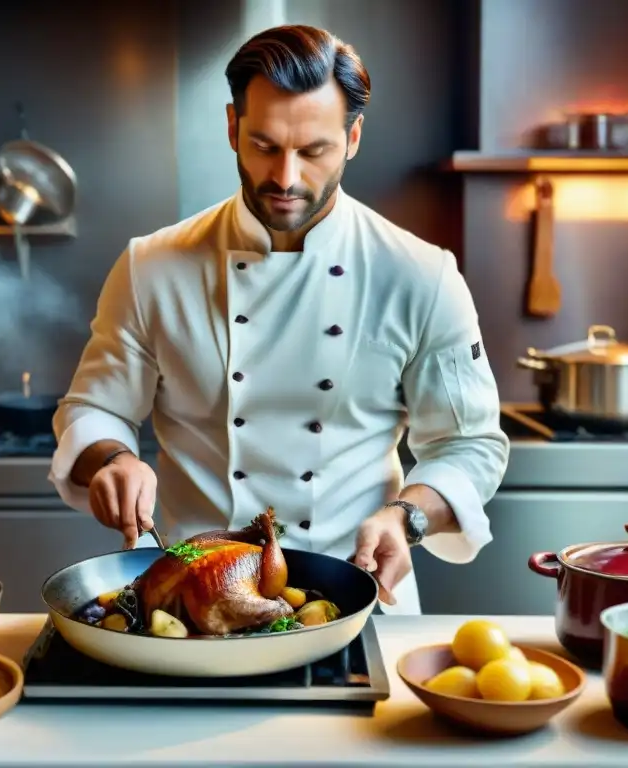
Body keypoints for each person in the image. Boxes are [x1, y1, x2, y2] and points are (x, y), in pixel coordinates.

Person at [49, 24, 510, 615]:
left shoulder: (420, 274)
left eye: (313, 150)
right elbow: (94, 409)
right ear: (233, 128)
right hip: (190, 601)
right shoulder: (152, 267)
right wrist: (112, 458)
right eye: (265, 145)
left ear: (353, 138)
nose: (287, 177)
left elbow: (469, 443)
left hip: (357, 592)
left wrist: (408, 516)